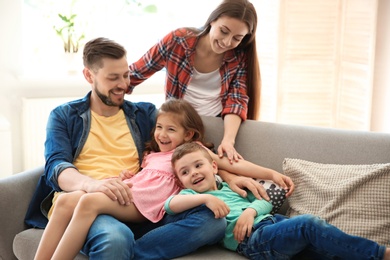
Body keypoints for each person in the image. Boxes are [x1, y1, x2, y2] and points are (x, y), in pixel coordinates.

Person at [25, 37, 228, 260]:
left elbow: (188, 152)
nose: (123, 84)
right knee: (114, 236)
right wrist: (93, 185)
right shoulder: (64, 116)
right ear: (89, 76)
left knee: (213, 219)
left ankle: (137, 251)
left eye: (125, 75)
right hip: (91, 199)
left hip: (143, 201)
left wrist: (228, 176)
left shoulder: (145, 114)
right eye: (113, 78)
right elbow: (56, 166)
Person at [34, 97, 294, 259]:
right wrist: (129, 176)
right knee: (69, 200)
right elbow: (143, 176)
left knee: (87, 203)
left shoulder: (193, 153)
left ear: (190, 135)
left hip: (145, 206)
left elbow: (234, 163)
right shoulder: (152, 154)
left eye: (171, 129)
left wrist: (270, 173)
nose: (162, 134)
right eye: (159, 127)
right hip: (130, 193)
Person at [167, 142, 390, 260]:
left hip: (272, 223)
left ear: (214, 166)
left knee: (323, 249)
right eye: (185, 172)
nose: (194, 173)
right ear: (181, 181)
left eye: (198, 165)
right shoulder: (192, 196)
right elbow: (170, 205)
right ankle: (380, 254)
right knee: (307, 224)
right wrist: (206, 198)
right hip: (254, 241)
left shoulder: (232, 186)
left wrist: (250, 211)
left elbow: (264, 200)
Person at [128, 0, 260, 163]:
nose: (227, 42)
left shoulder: (238, 58)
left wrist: (228, 140)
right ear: (213, 20)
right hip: (179, 127)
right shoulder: (178, 40)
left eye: (237, 38)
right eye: (223, 31)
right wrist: (105, 85)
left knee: (223, 171)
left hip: (215, 126)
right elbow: (137, 71)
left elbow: (236, 102)